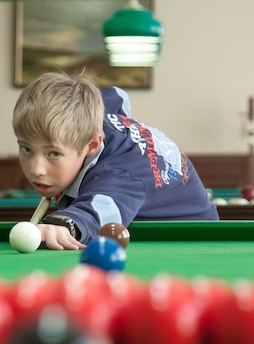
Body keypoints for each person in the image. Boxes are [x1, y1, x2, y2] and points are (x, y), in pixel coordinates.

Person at [12, 71, 219, 251]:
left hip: (194, 235)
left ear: (91, 146)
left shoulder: (118, 175)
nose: (37, 169)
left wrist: (62, 225)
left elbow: (98, 212)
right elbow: (117, 96)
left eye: (53, 154)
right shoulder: (89, 116)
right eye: (26, 149)